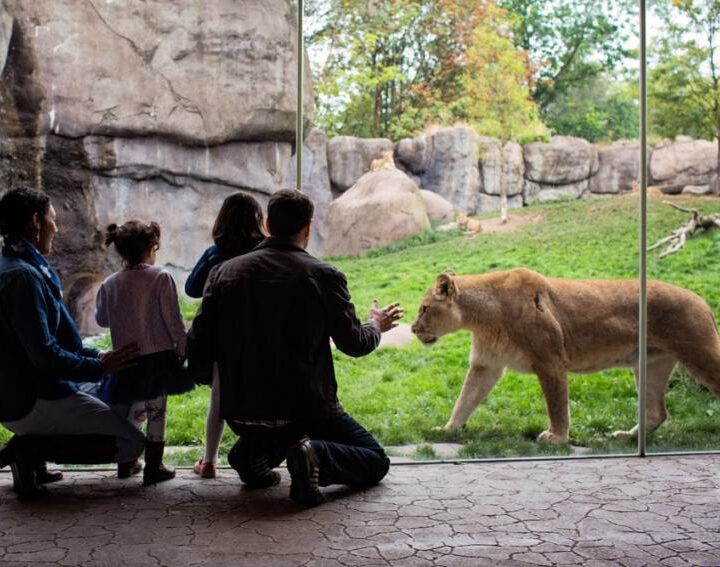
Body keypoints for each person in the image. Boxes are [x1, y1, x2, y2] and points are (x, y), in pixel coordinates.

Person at [187, 189, 403, 507]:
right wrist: (376, 326)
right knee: (374, 459)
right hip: (305, 410)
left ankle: (251, 455)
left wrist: (206, 375)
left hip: (242, 412)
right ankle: (314, 457)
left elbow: (197, 340)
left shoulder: (222, 273)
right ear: (308, 228)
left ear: (269, 225)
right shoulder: (323, 275)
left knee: (272, 428)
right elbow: (355, 344)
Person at [0, 188, 145, 497]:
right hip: (30, 399)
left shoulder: (23, 265)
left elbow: (65, 343)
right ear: (35, 222)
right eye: (53, 219)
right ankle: (28, 451)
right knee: (132, 444)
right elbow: (45, 356)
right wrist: (98, 367)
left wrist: (101, 359)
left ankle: (33, 451)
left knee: (128, 389)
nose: (58, 227)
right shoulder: (23, 278)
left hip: (33, 389)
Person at [96, 220, 193, 485]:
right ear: (153, 246)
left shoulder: (110, 283)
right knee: (156, 410)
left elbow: (103, 319)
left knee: (134, 406)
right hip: (158, 357)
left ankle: (126, 461)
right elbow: (173, 319)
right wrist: (182, 348)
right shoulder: (161, 277)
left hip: (125, 357)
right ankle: (154, 466)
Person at [185, 193, 266, 479]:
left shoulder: (215, 253)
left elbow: (192, 289)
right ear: (259, 220)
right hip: (260, 331)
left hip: (222, 334)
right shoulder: (264, 251)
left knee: (219, 398)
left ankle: (208, 461)